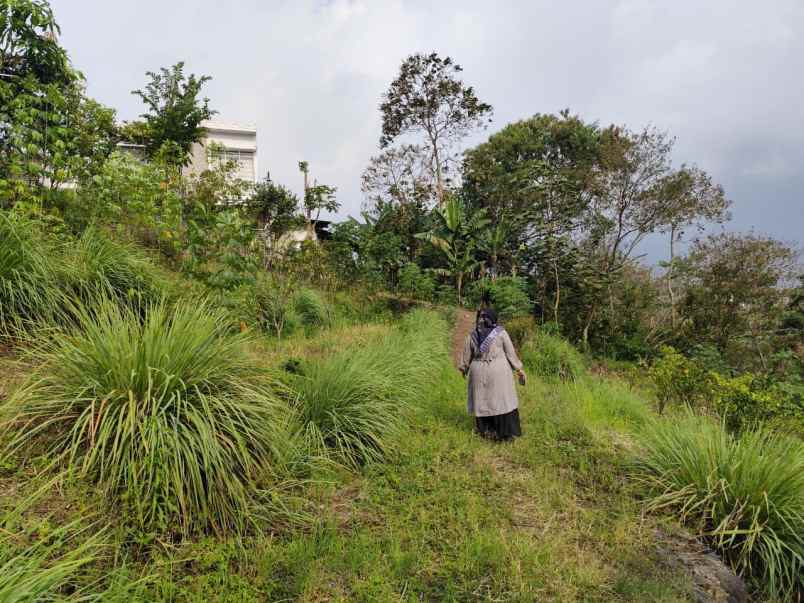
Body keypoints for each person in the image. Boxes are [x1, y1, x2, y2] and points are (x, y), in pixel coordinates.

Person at [458, 308, 526, 441]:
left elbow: (466, 357)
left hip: (478, 371)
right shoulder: (500, 333)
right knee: (502, 401)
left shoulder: (472, 335)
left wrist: (464, 369)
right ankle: (505, 434)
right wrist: (519, 369)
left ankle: (486, 431)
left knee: (482, 400)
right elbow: (510, 353)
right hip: (498, 370)